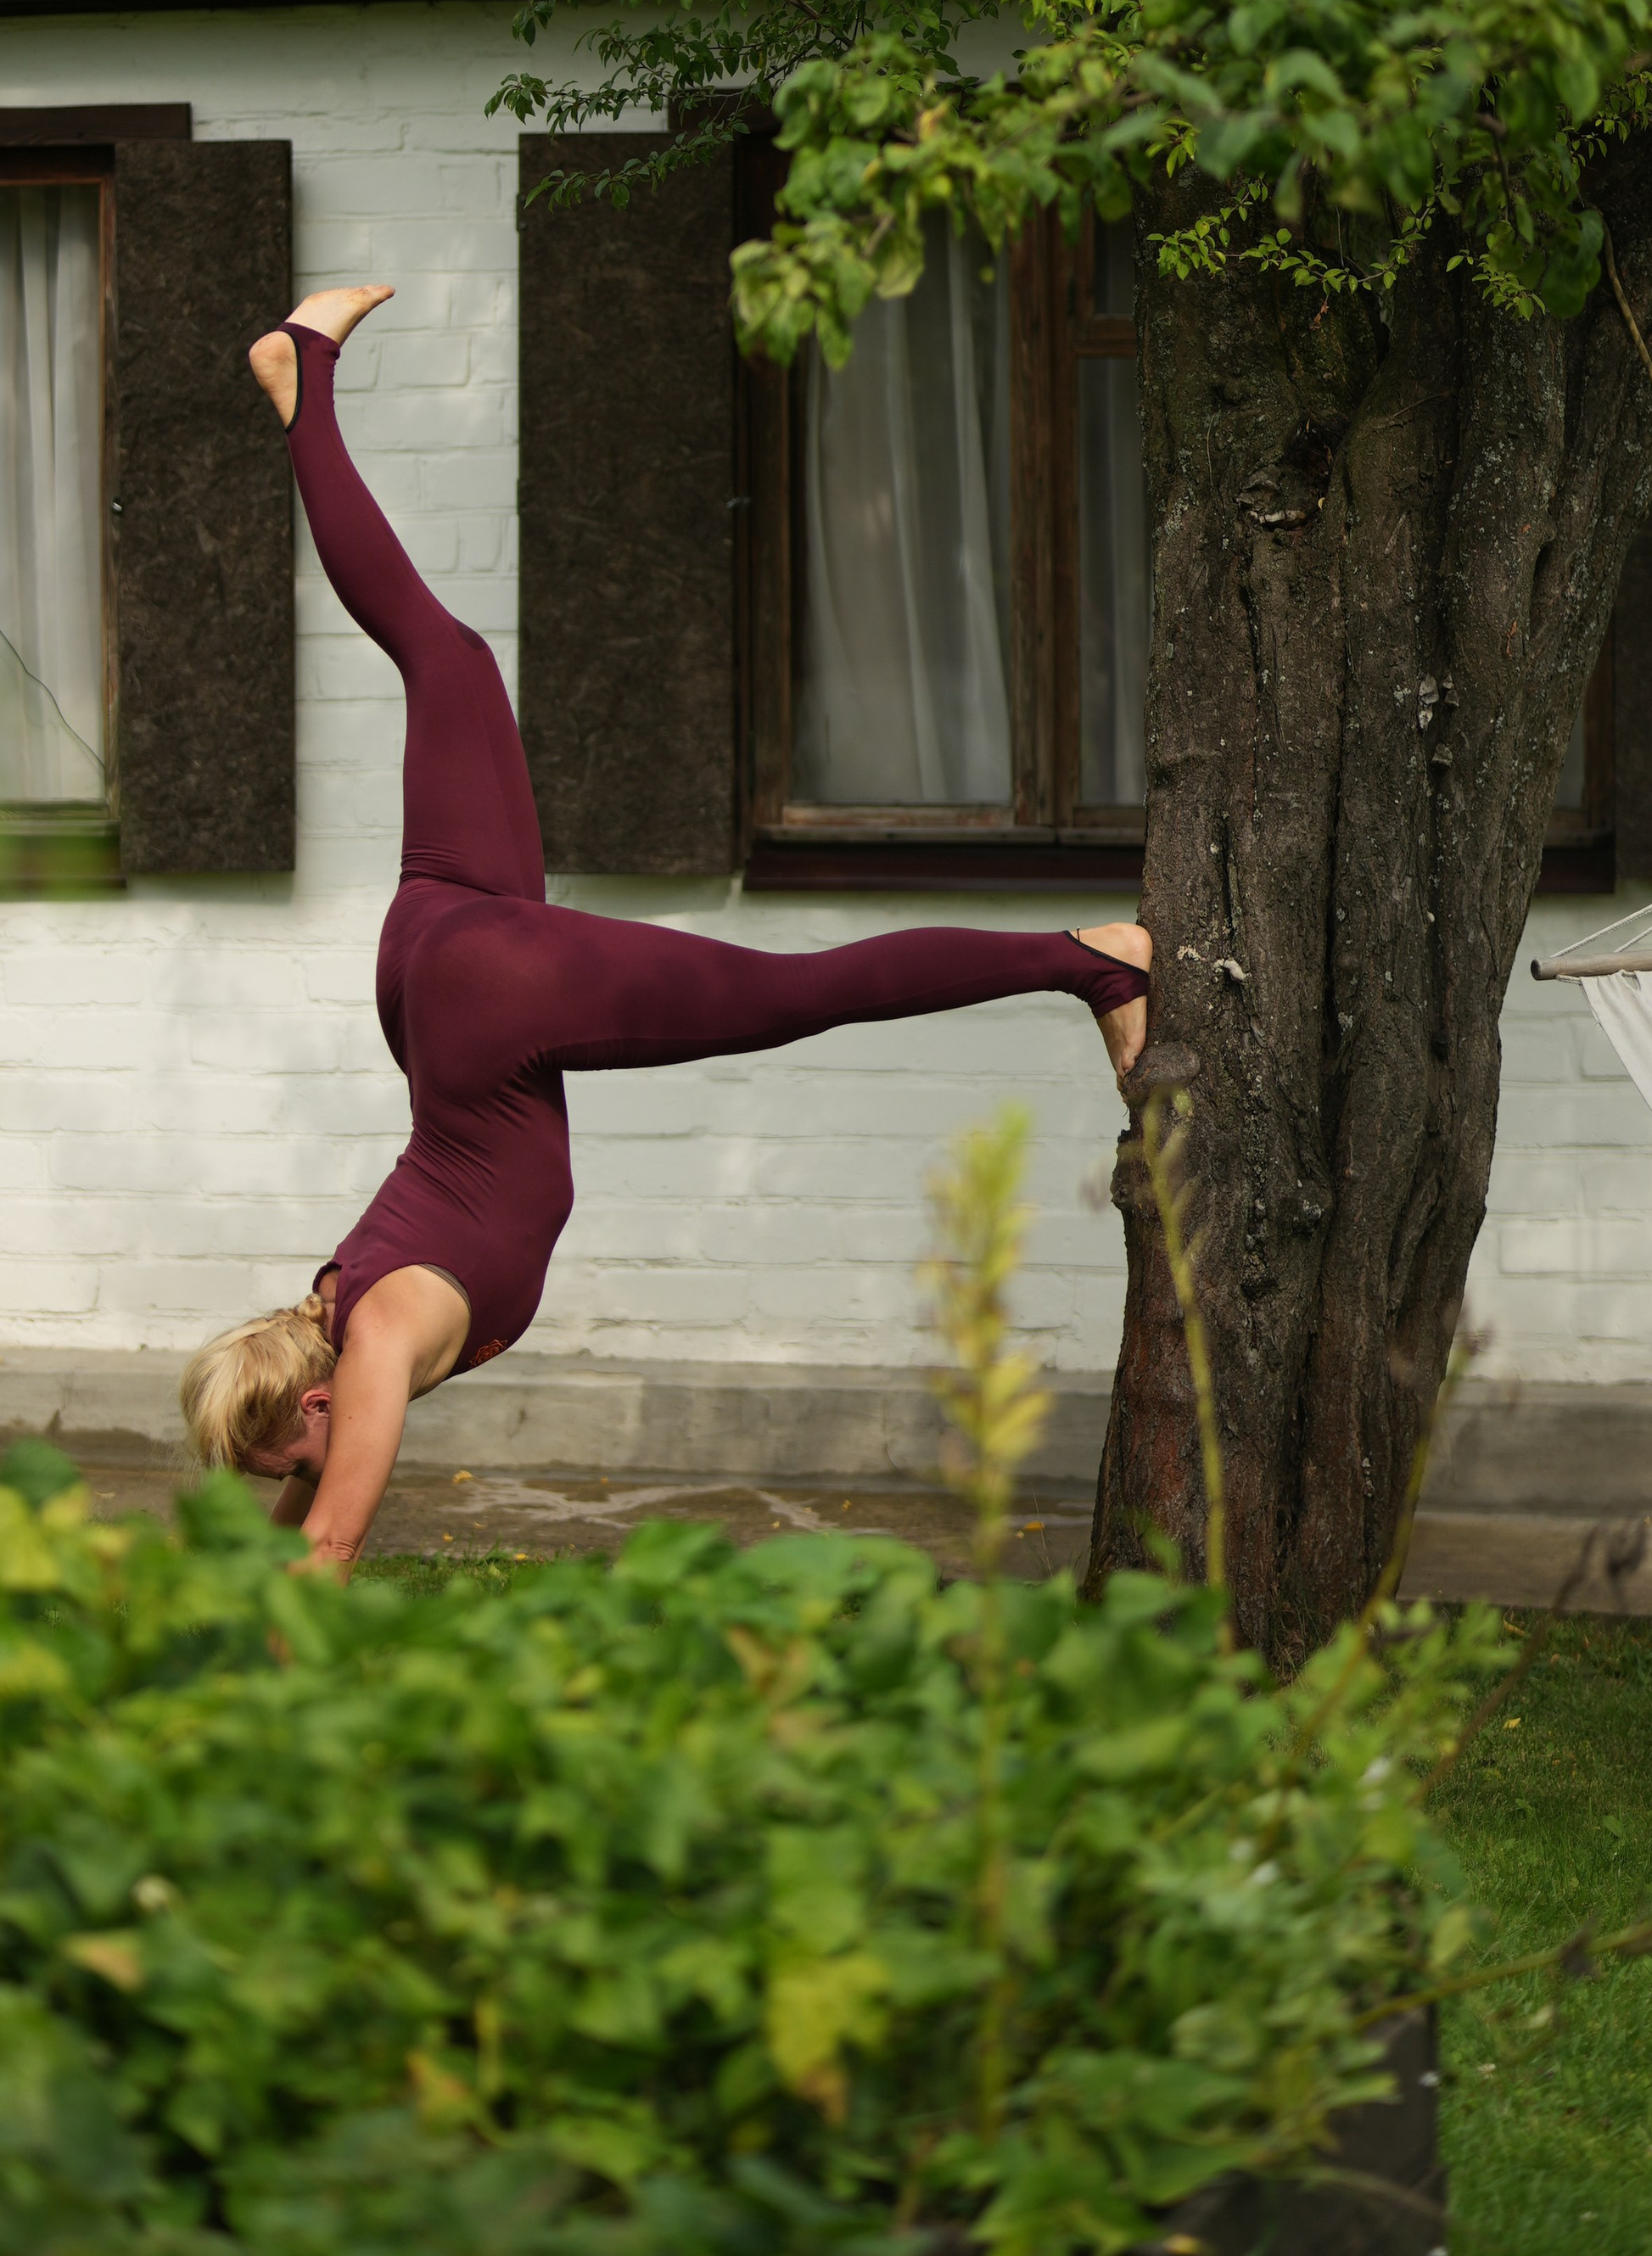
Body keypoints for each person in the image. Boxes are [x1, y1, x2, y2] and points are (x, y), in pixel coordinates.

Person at [182, 285, 1151, 1569]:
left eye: (284, 1464)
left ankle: (1092, 961)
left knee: (805, 990)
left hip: (484, 1002)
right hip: (431, 960)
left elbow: (328, 1547)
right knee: (450, 659)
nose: (297, 1484)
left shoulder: (361, 1355)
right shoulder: (331, 1324)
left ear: (310, 1406)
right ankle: (302, 378)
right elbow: (302, 1510)